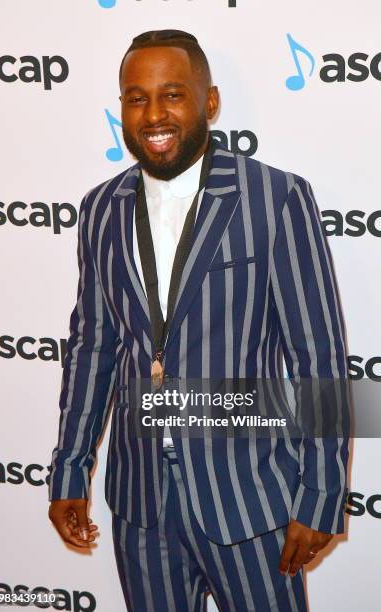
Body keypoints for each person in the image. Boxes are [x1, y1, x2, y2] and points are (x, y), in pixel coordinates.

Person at [48, 29, 349, 612]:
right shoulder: (100, 210)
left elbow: (321, 357)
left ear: (208, 103)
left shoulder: (275, 198)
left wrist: (320, 495)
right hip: (141, 507)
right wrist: (69, 469)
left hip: (251, 499)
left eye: (173, 94)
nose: (154, 114)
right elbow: (92, 349)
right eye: (136, 98)